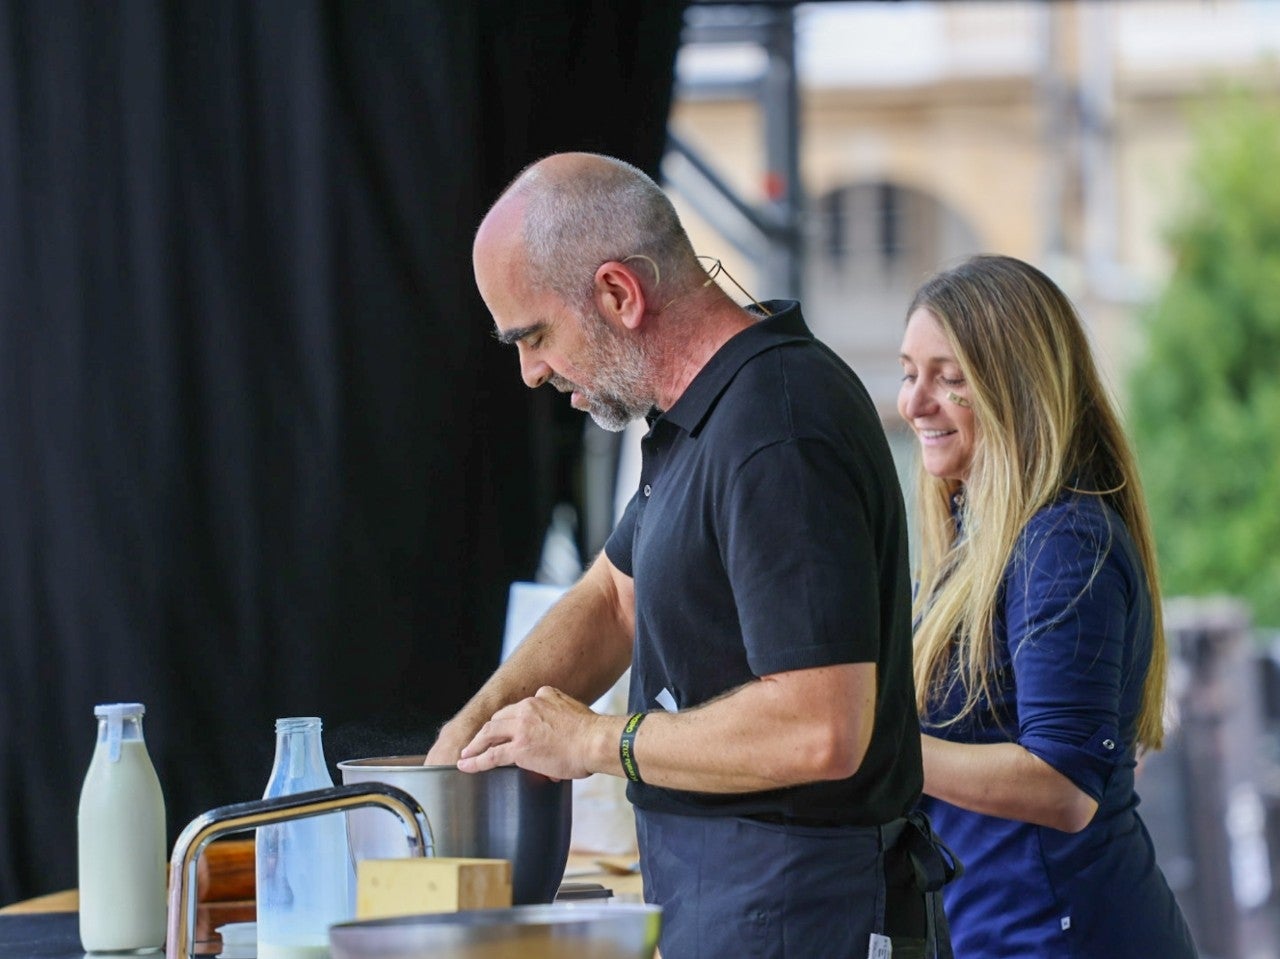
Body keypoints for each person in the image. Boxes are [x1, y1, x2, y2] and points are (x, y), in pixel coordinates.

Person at [426, 152, 951, 958]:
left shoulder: (776, 427)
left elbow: (823, 727)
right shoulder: (694, 417)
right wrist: (473, 732)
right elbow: (613, 596)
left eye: (534, 336)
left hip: (810, 914)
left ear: (618, 293)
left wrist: (597, 741)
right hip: (734, 907)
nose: (531, 373)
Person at [897, 254, 1198, 958]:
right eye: (911, 372)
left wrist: (877, 749)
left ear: (1016, 387)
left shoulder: (1062, 539)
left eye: (950, 377)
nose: (913, 403)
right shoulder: (984, 542)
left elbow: (1065, 787)